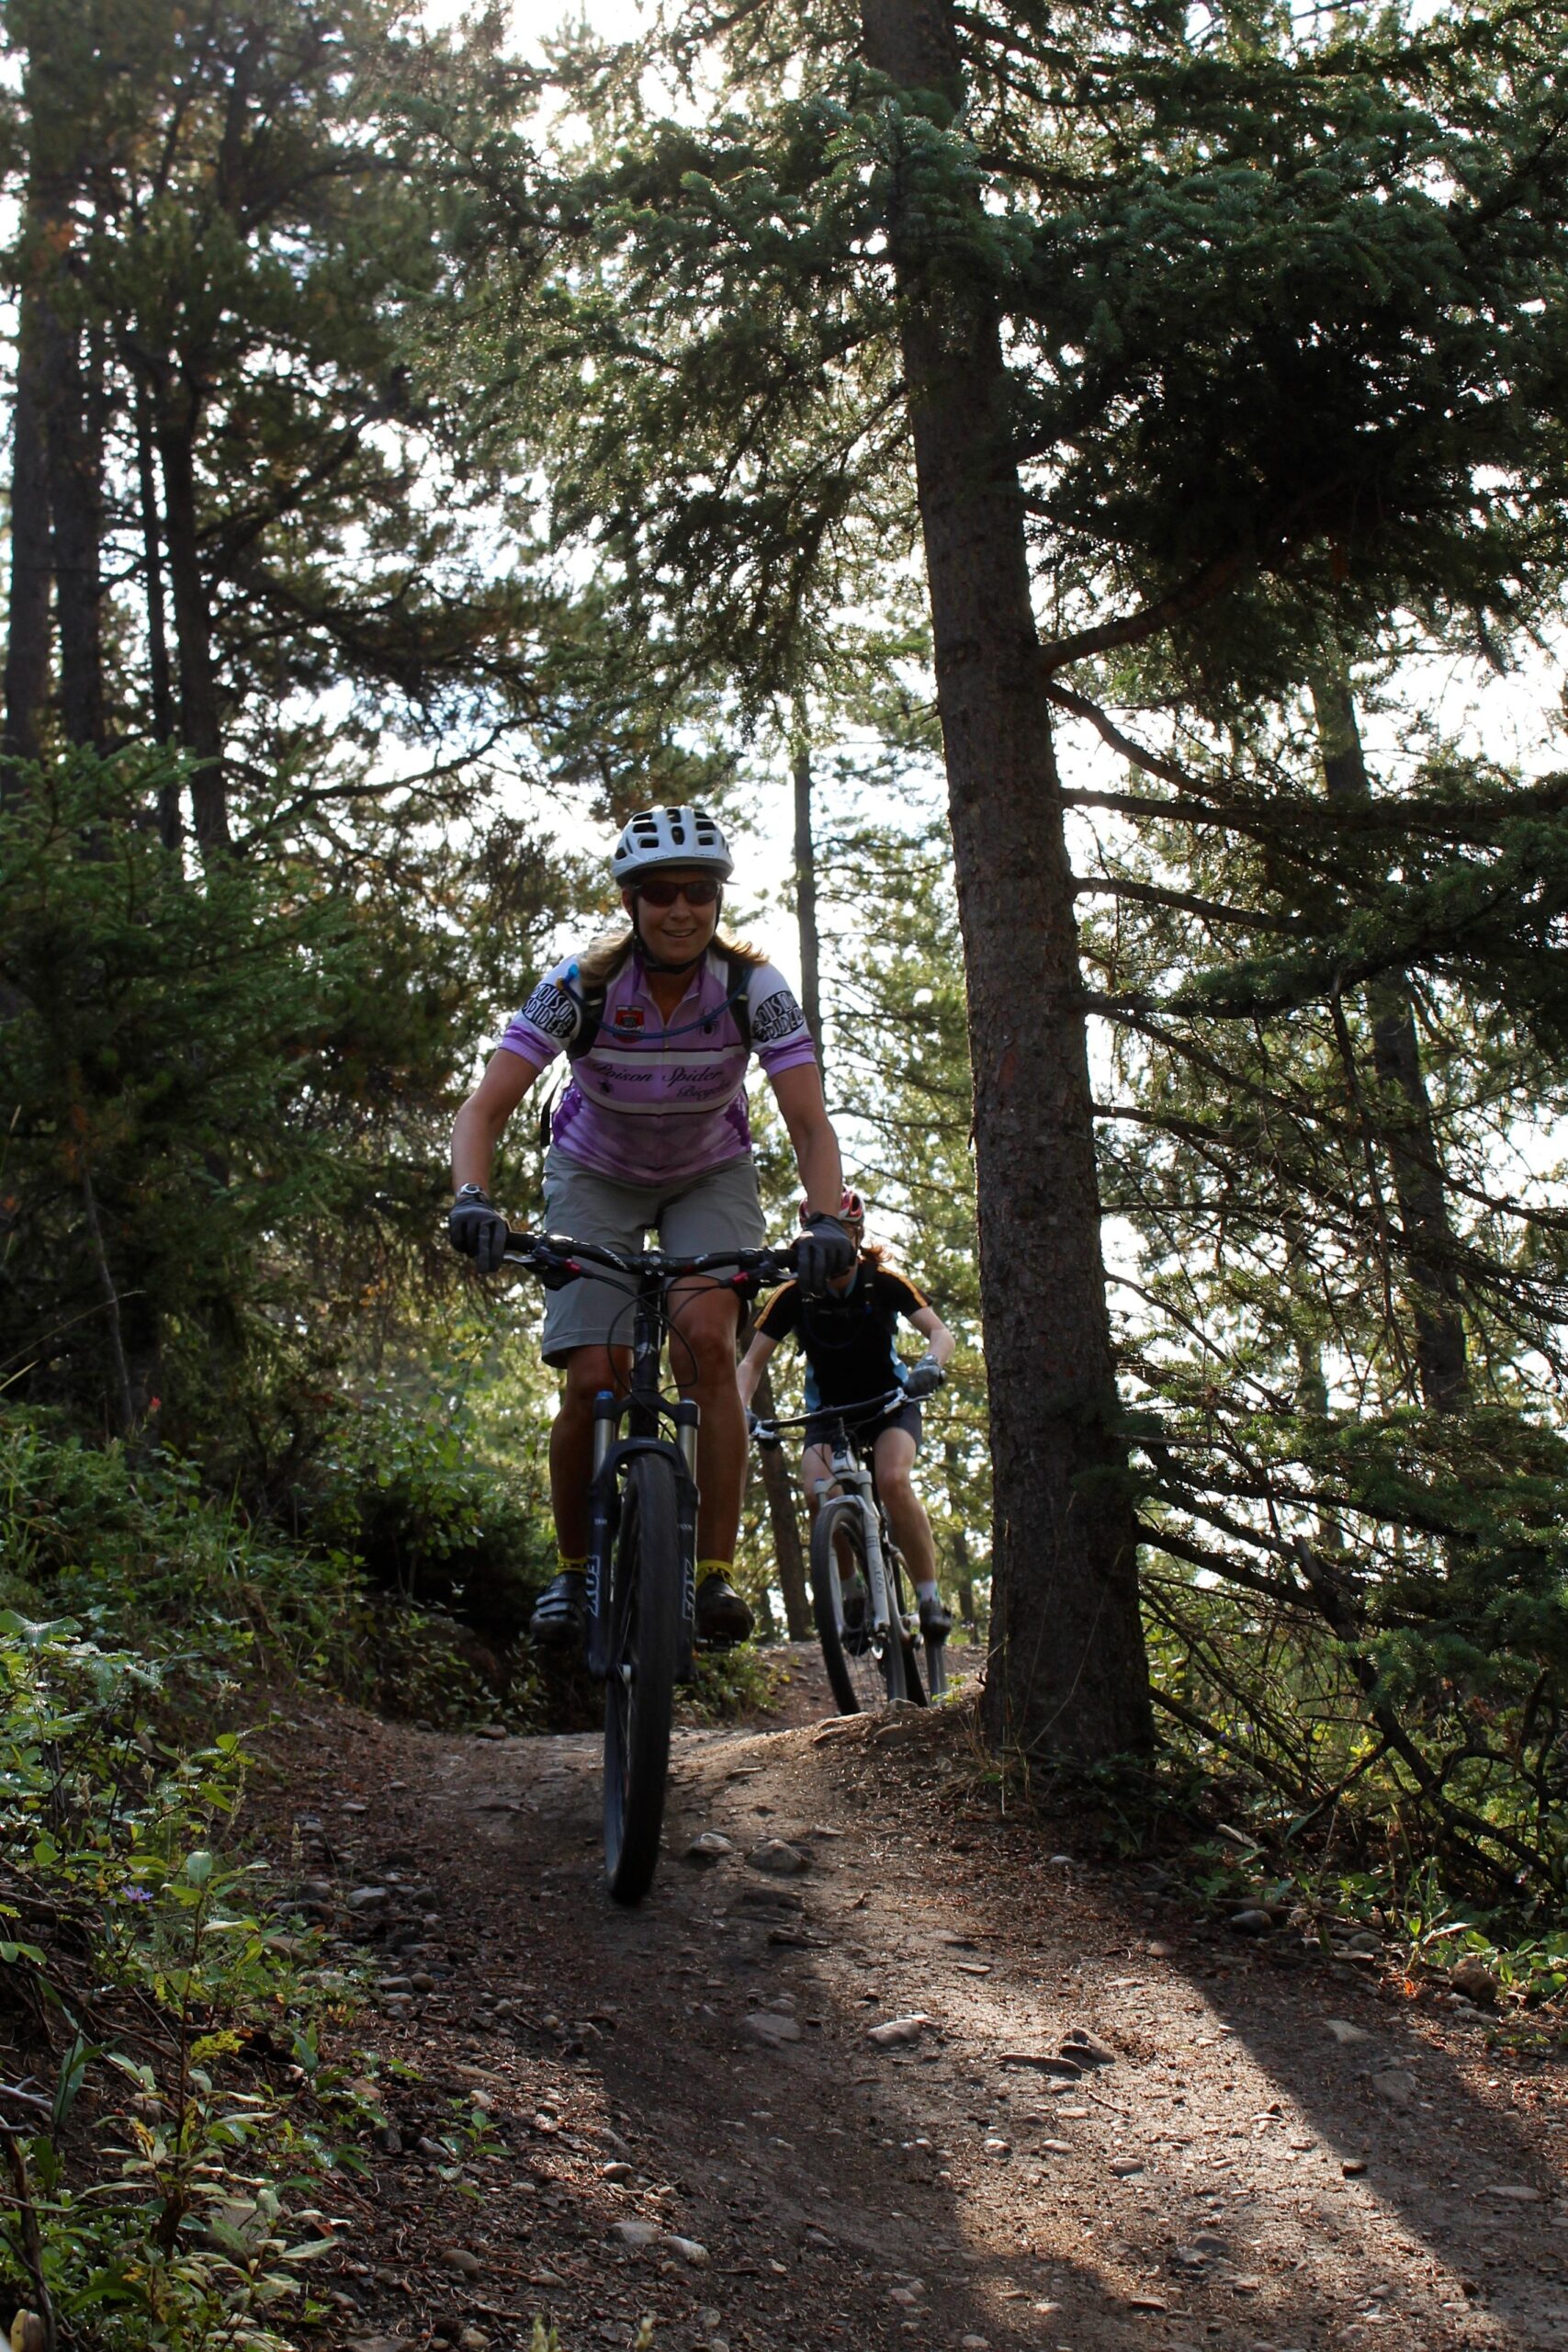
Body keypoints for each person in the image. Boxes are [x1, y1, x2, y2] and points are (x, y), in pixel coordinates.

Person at [447, 806, 854, 1650]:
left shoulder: (754, 988)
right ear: (631, 902)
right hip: (593, 1171)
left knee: (706, 1342)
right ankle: (571, 1571)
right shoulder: (580, 986)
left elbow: (810, 1126)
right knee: (593, 1376)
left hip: (708, 1171)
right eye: (660, 893)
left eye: (698, 892)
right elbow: (484, 1108)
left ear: (716, 899)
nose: (681, 909)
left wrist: (823, 1222)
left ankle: (711, 1576)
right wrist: (472, 1200)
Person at [735, 1191, 956, 1642]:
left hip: (890, 1403)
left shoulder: (883, 1281)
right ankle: (852, 1592)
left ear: (857, 1235)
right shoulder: (793, 1295)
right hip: (829, 1414)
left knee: (893, 1481)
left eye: (842, 1236)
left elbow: (939, 1332)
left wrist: (930, 1366)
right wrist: (739, 1411)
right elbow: (750, 1364)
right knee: (820, 1493)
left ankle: (929, 1597)